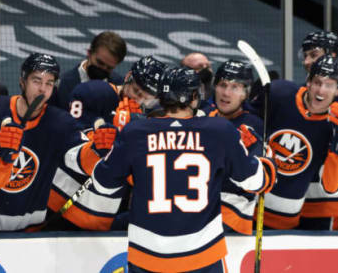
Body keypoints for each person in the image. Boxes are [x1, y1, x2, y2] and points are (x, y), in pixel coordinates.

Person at [90, 67, 277, 272]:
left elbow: (103, 184)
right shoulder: (220, 131)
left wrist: (105, 152)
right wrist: (263, 159)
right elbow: (256, 182)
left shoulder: (135, 132)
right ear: (195, 97)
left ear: (161, 96)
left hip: (147, 257)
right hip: (202, 256)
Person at [0, 53, 114, 231]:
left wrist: (97, 150)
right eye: (36, 81)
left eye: (49, 83)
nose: (42, 89)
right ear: (22, 81)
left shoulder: (60, 123)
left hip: (32, 232)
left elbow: (81, 160)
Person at [46, 56, 167, 231]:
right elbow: (71, 143)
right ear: (127, 77)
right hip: (58, 198)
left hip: (98, 213)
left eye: (147, 98)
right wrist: (116, 126)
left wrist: (132, 129)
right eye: (136, 91)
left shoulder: (149, 120)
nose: (139, 100)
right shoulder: (92, 92)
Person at [250, 54, 338, 230]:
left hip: (286, 219)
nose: (321, 90)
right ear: (308, 82)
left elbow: (332, 188)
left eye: (329, 85)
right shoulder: (279, 93)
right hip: (247, 206)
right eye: (317, 82)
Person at [205, 60, 264, 235]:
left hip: (231, 214)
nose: (226, 93)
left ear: (245, 94)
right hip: (195, 205)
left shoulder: (254, 127)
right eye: (222, 85)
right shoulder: (202, 115)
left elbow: (256, 182)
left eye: (235, 87)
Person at [54, 31, 127, 110]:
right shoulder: (64, 84)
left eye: (109, 68)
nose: (103, 69)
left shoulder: (119, 85)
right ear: (89, 53)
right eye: (100, 63)